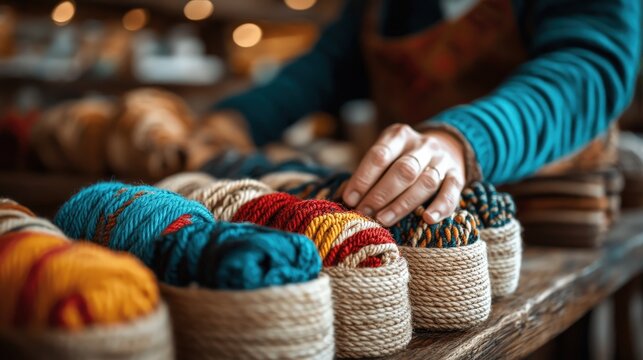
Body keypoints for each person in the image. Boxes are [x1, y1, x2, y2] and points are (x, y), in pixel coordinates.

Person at [202, 0, 641, 227]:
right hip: (401, 233)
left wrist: (460, 142)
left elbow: (587, 70)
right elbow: (326, 68)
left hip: (545, 212)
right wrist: (235, 120)